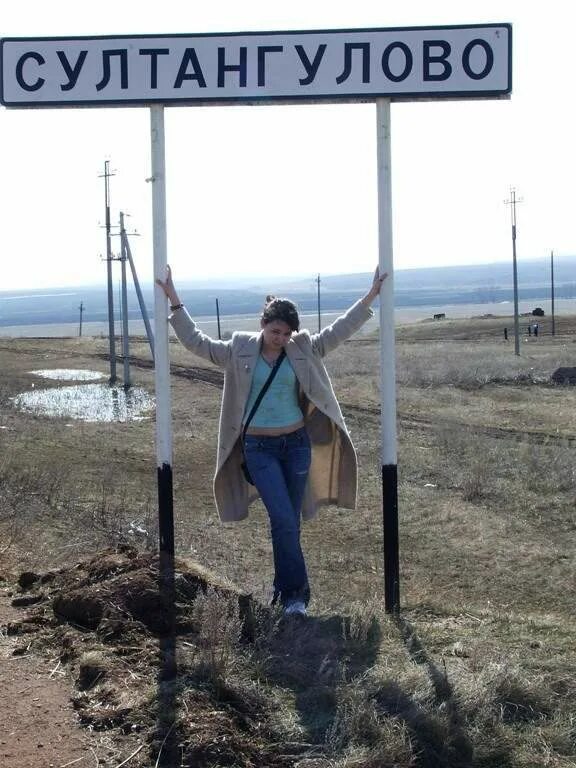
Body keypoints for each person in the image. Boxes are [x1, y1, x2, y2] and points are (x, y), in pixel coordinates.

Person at [156, 265, 387, 616]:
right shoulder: (239, 349)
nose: (280, 337)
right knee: (282, 518)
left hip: (296, 446)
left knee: (288, 522)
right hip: (258, 449)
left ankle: (283, 594)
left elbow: (337, 332)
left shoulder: (302, 349)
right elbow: (198, 343)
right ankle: (297, 596)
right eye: (275, 330)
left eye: (286, 332)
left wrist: (369, 298)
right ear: (263, 324)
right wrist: (175, 301)